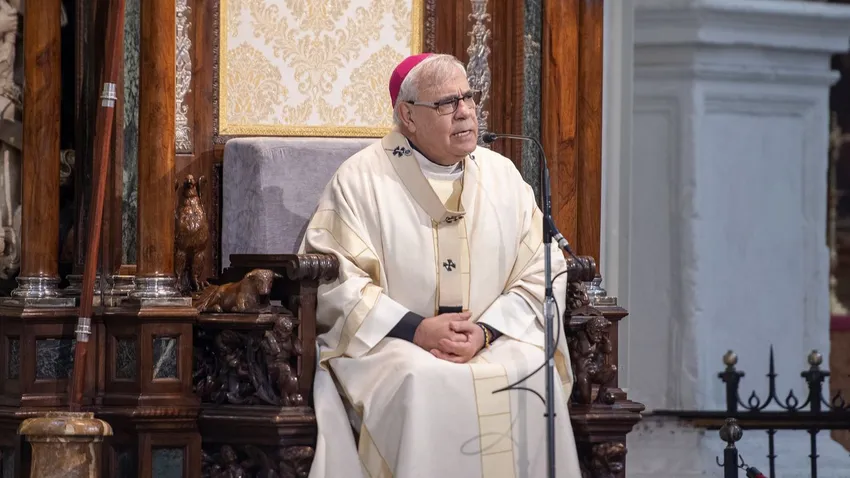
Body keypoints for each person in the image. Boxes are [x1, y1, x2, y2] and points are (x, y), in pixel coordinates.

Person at [302, 53, 581, 478]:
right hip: (394, 343)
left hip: (490, 336)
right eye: (447, 103)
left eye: (468, 97)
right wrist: (418, 329)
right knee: (421, 378)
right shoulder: (360, 180)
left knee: (530, 370)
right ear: (408, 116)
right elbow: (339, 283)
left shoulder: (503, 176)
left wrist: (486, 331)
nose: (465, 111)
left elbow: (543, 268)